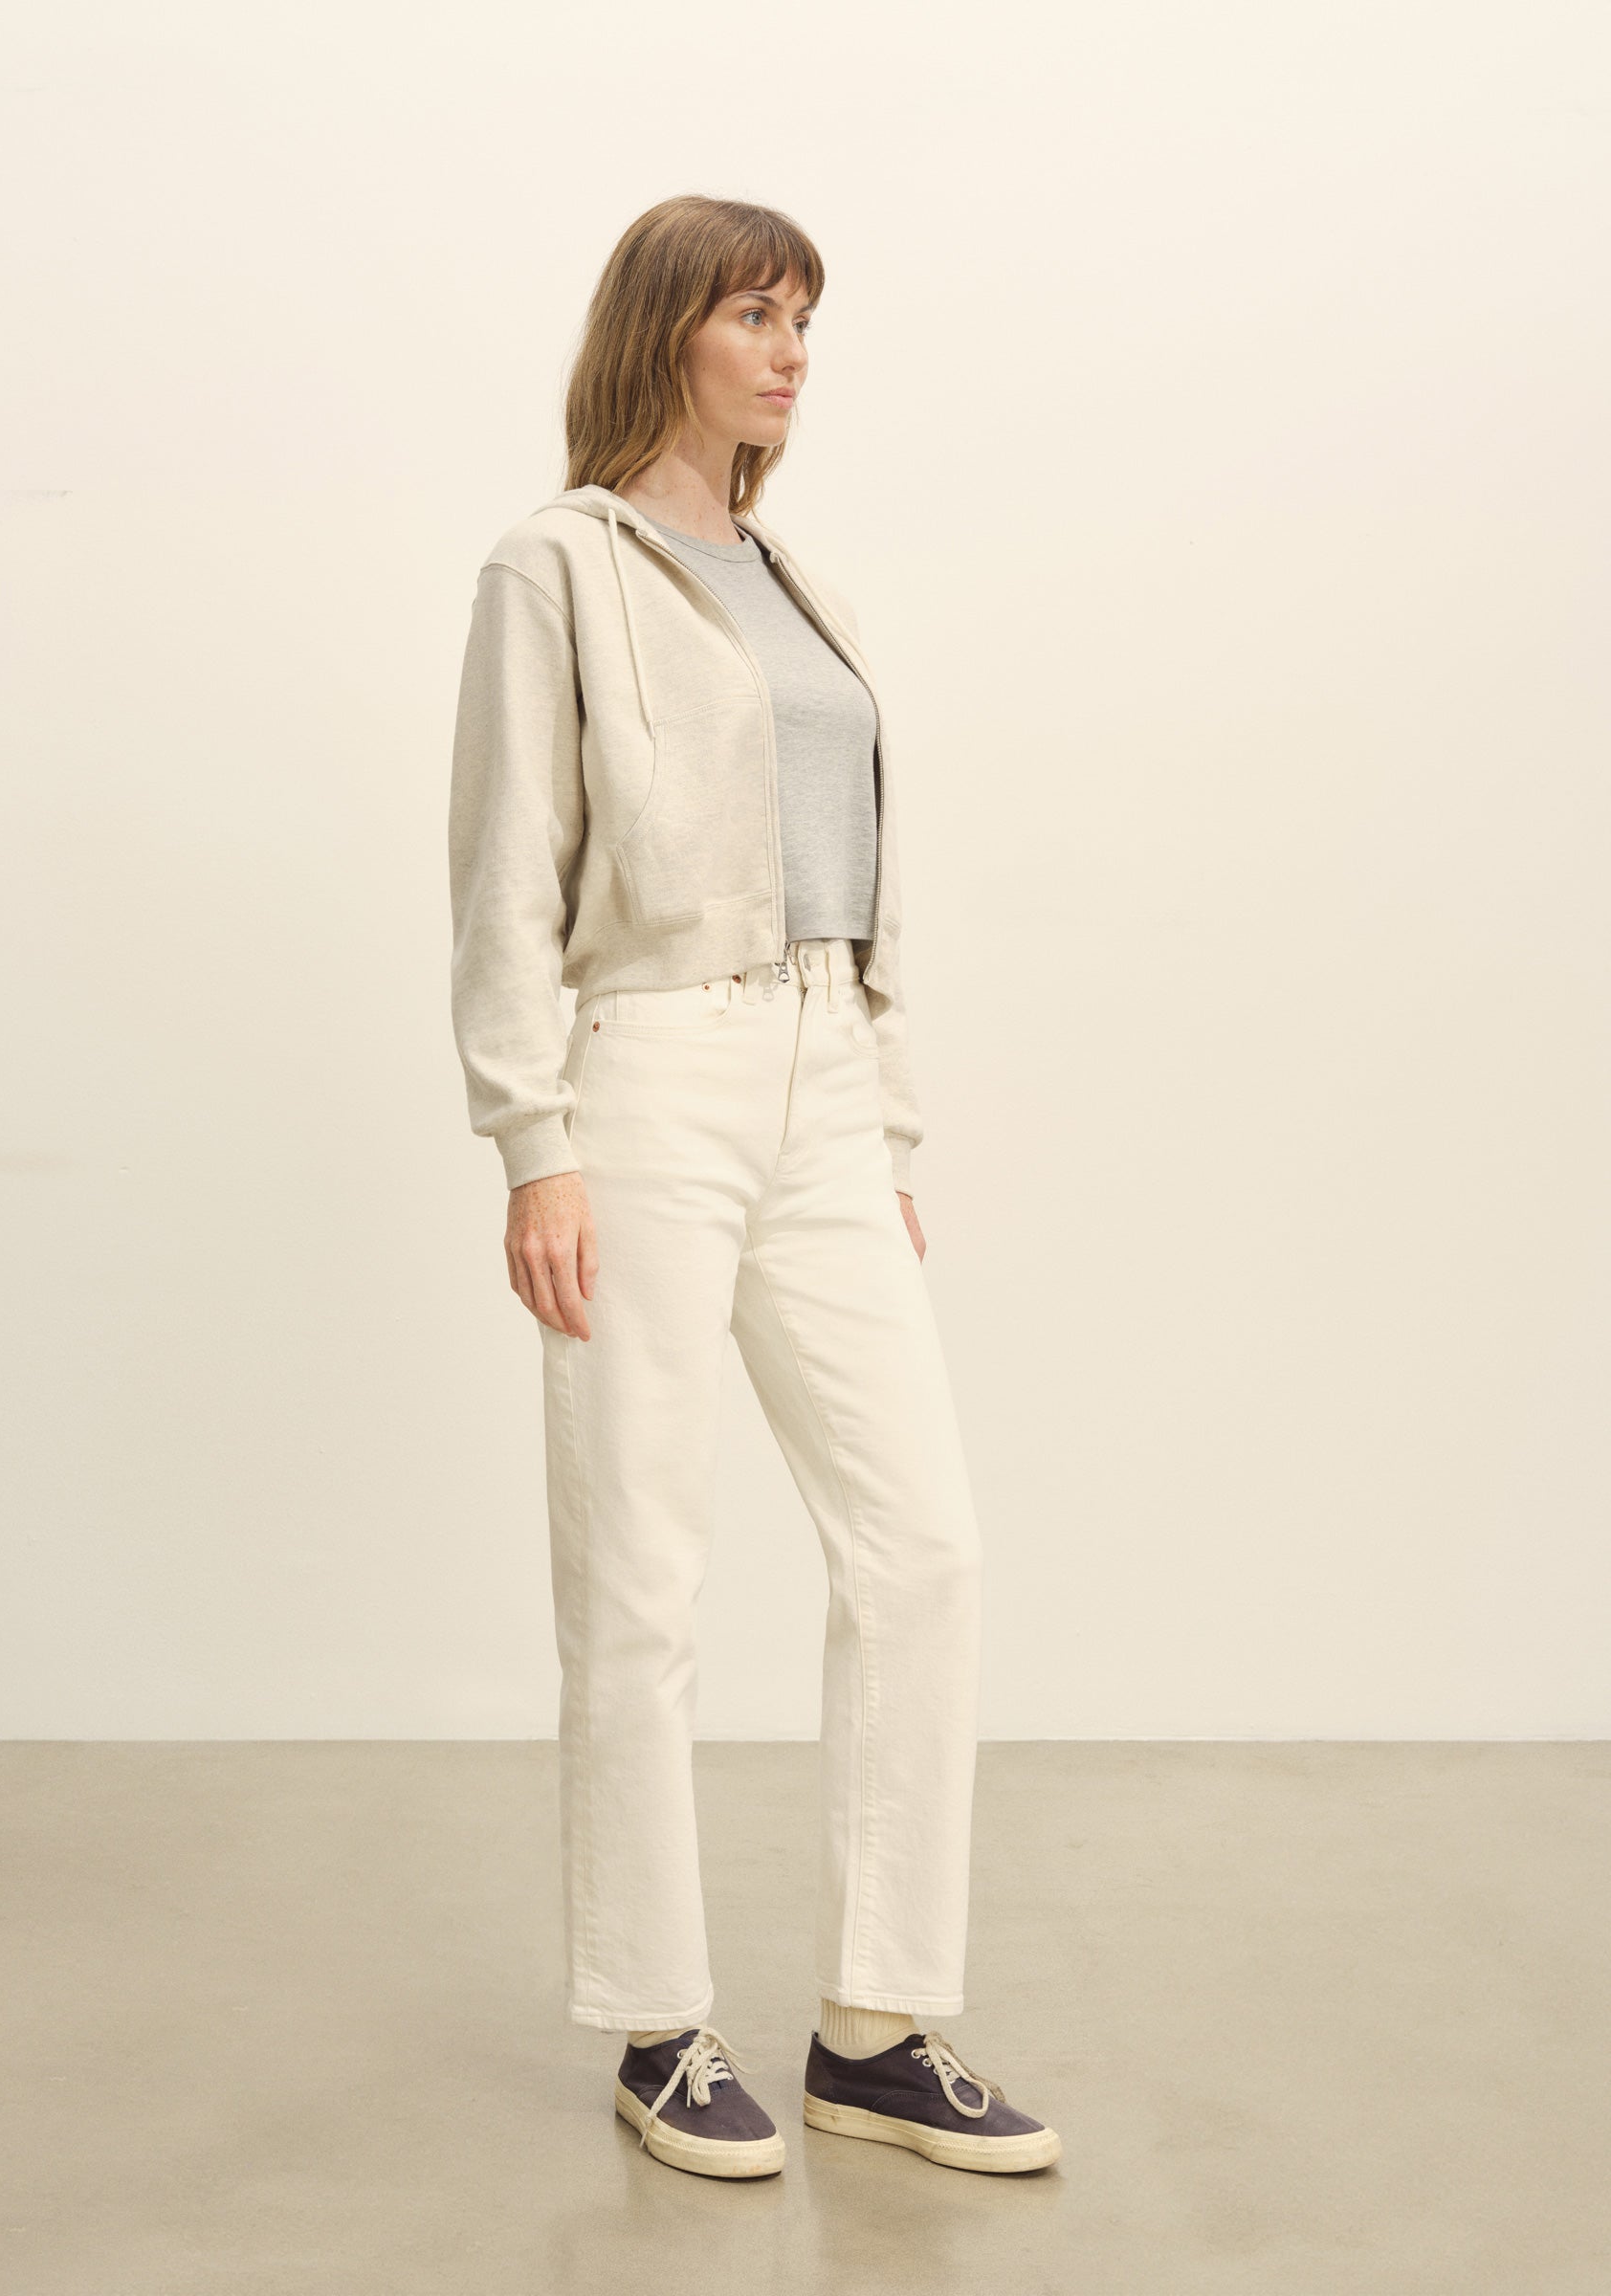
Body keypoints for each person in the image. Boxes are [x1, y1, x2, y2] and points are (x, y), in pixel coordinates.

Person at [447, 194, 1059, 2179]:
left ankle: (875, 2026)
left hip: (822, 1085)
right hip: (647, 1076)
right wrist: (535, 1141)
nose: (794, 352)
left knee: (923, 1546)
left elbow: (865, 890)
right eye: (757, 315)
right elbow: (507, 875)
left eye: (805, 319)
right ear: (667, 336)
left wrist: (884, 1129)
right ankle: (657, 2022)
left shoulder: (799, 583)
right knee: (643, 1567)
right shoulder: (556, 566)